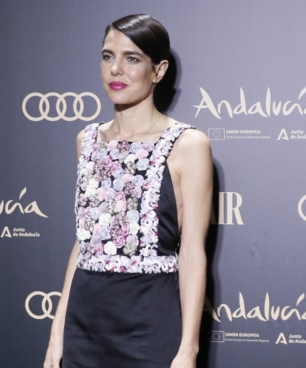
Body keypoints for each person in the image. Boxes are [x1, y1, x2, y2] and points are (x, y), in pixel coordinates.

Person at [44, 14, 213, 368]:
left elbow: (193, 253)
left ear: (158, 70)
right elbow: (84, 243)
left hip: (150, 324)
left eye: (131, 58)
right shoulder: (86, 141)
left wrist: (188, 350)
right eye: (108, 56)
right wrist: (57, 332)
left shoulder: (188, 144)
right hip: (84, 326)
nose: (115, 70)